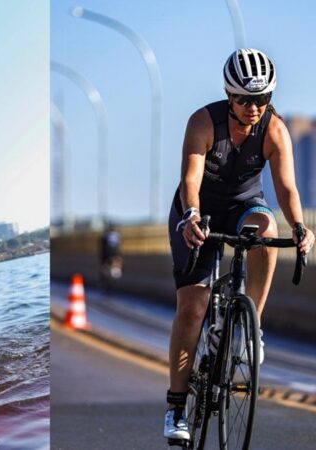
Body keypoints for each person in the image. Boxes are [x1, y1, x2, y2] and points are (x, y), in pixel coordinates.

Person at [164, 48, 315, 441]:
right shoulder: (203, 122)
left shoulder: (275, 130)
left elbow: (285, 187)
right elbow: (191, 178)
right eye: (245, 99)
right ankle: (176, 408)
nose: (254, 107)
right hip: (198, 209)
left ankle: (250, 327)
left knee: (265, 229)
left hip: (245, 206)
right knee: (193, 307)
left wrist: (299, 227)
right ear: (229, 96)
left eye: (262, 99)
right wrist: (191, 216)